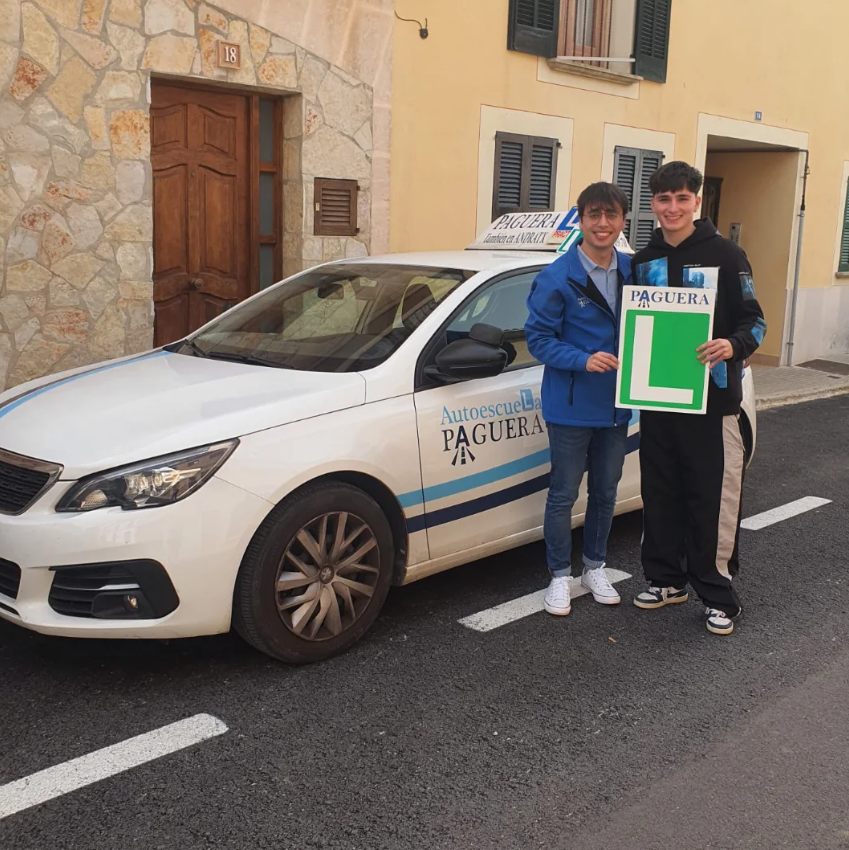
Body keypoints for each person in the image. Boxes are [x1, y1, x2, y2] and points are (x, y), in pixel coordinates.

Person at [629, 161, 767, 635]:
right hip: (657, 401)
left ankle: (718, 595)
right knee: (660, 493)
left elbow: (755, 321)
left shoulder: (728, 255)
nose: (673, 208)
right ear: (653, 204)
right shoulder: (640, 259)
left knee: (712, 499)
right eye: (664, 200)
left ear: (697, 202)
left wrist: (733, 345)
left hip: (714, 403)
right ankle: (666, 580)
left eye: (682, 199)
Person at [525, 183, 633, 617]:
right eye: (593, 215)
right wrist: (583, 360)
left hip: (616, 406)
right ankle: (558, 576)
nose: (602, 223)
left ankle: (594, 567)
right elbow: (538, 340)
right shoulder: (556, 276)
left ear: (623, 220)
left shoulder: (634, 270)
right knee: (563, 494)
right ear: (581, 219)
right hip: (570, 406)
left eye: (611, 215)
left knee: (606, 491)